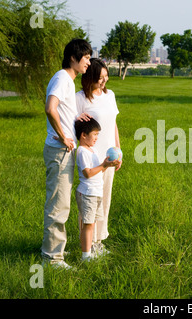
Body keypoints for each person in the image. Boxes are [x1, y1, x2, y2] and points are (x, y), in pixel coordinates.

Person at [41, 39, 92, 269]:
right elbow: (50, 108)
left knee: (61, 204)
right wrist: (63, 136)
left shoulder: (66, 80)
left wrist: (73, 120)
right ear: (73, 57)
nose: (89, 63)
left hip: (63, 151)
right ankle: (52, 257)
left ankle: (55, 248)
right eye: (87, 58)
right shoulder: (62, 78)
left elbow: (59, 111)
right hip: (60, 150)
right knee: (58, 205)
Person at [76, 58, 122, 256]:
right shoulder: (80, 98)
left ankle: (99, 242)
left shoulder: (109, 95)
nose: (104, 81)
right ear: (89, 78)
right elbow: (73, 124)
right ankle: (88, 244)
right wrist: (76, 119)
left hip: (109, 157)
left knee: (104, 200)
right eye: (99, 78)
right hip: (92, 158)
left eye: (106, 77)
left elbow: (113, 124)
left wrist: (119, 151)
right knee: (89, 202)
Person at [74, 118, 117, 261]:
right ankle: (85, 256)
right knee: (88, 224)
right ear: (83, 135)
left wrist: (107, 165)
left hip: (96, 193)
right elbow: (87, 173)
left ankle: (89, 251)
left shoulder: (92, 150)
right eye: (94, 134)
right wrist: (103, 165)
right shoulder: (82, 151)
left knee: (91, 223)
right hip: (87, 193)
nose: (97, 138)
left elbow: (97, 171)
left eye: (98, 134)